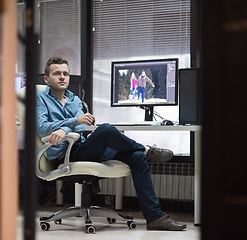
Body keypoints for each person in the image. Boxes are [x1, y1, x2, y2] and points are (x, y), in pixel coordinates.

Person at [36, 56, 186, 231]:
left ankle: (155, 218)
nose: (62, 77)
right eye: (57, 74)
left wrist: (66, 129)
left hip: (82, 147)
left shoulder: (74, 99)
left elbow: (82, 126)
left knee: (136, 158)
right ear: (47, 79)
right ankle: (146, 149)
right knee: (106, 129)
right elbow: (43, 128)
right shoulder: (40, 99)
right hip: (65, 155)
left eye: (65, 73)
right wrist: (72, 123)